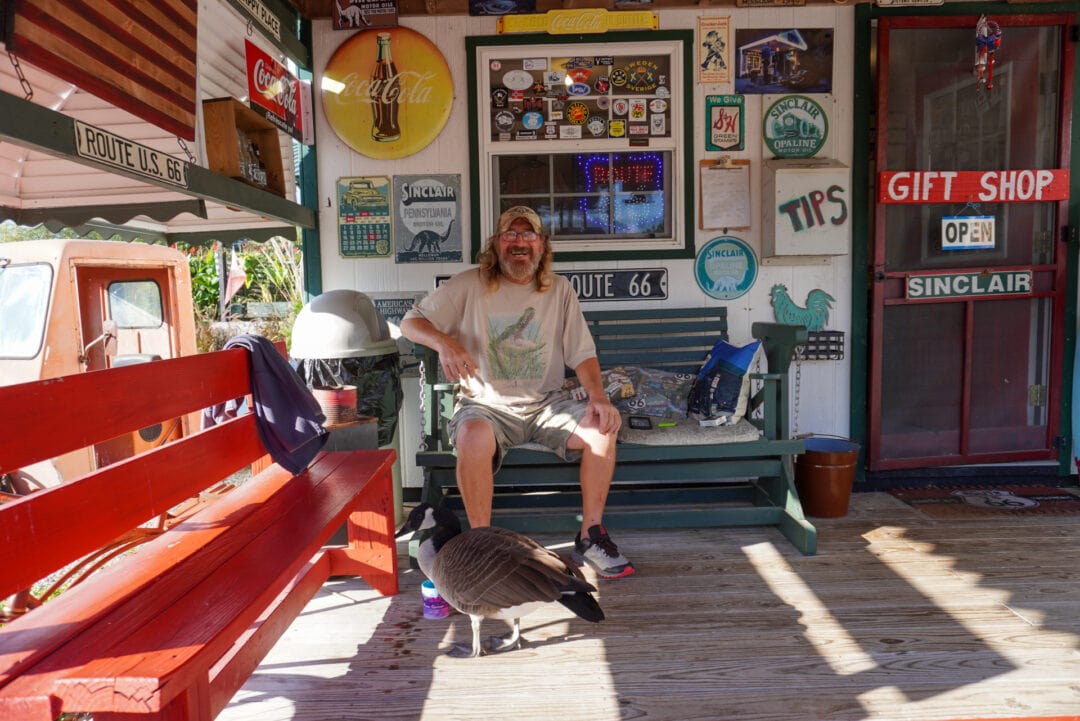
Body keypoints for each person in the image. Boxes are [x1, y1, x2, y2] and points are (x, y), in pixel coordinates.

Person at [400, 206, 635, 579]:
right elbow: (410, 322)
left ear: (542, 245)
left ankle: (590, 534)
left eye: (529, 235)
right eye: (511, 234)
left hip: (548, 405)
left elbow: (582, 353)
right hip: (486, 406)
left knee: (602, 429)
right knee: (472, 437)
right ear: (496, 243)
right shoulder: (469, 284)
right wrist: (445, 343)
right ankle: (482, 544)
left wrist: (599, 398)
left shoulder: (559, 290)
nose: (519, 242)